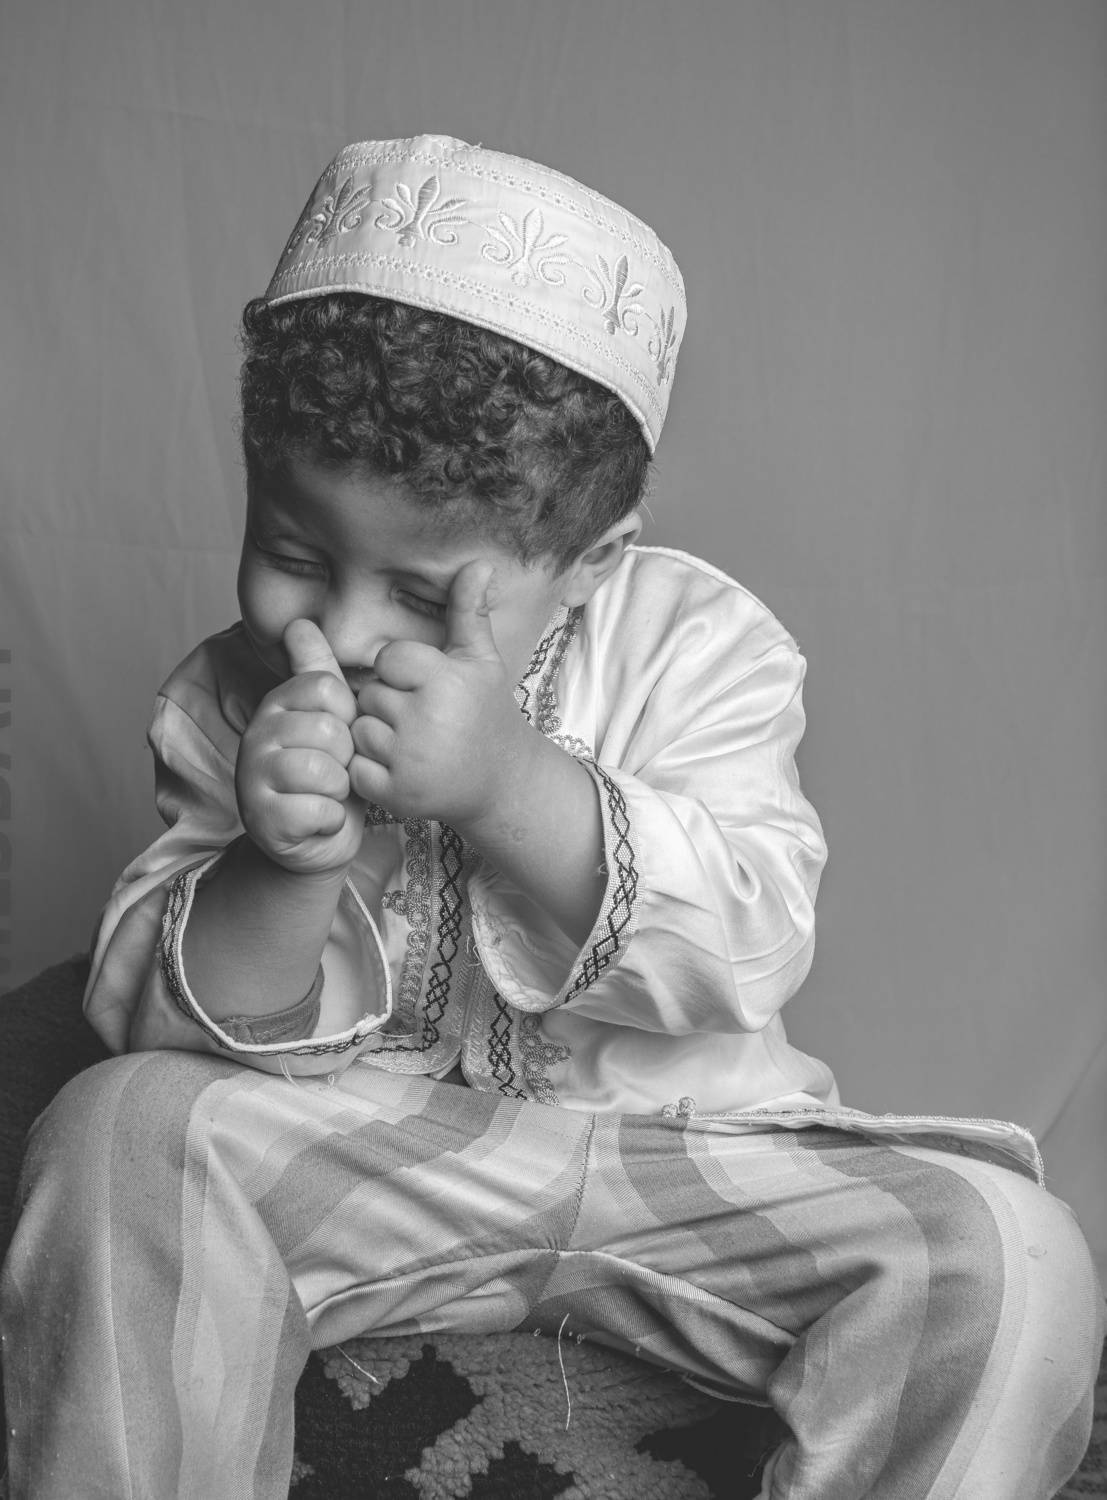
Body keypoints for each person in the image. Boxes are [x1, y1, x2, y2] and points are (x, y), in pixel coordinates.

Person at [1, 135, 1101, 1499]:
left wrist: (511, 787)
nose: (341, 629)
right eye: (292, 553)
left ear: (591, 563)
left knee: (1014, 1253)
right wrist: (279, 868)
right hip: (370, 1163)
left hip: (684, 1167)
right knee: (114, 1126)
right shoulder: (232, 698)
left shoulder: (703, 647)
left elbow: (751, 944)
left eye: (421, 594)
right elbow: (160, 1030)